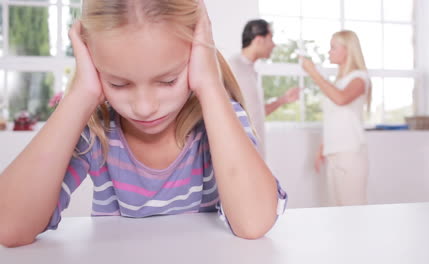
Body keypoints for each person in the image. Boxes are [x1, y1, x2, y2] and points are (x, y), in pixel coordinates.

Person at [0, 0, 287, 248]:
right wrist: (79, 96)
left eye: (168, 80)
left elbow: (254, 222)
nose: (144, 107)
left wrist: (210, 84)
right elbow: (9, 226)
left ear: (197, 55)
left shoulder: (219, 120)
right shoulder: (96, 130)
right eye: (118, 83)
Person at [300, 30, 371, 206]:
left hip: (350, 153)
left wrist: (313, 73)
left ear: (347, 50)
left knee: (354, 212)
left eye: (333, 48)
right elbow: (335, 118)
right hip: (334, 154)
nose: (328, 52)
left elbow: (341, 99)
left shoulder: (360, 79)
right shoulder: (340, 81)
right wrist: (323, 147)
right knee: (337, 212)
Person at [229, 19, 300, 157]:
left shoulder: (251, 71)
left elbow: (256, 113)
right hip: (241, 155)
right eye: (271, 38)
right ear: (259, 39)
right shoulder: (232, 67)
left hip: (256, 154)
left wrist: (283, 100)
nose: (274, 45)